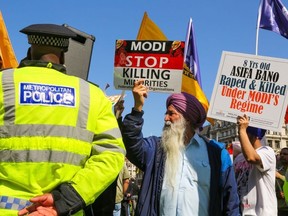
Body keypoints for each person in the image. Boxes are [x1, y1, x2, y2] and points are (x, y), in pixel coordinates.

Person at [0, 23, 125, 216]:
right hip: (63, 211)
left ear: (29, 51)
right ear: (64, 54)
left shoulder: (3, 83)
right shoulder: (92, 95)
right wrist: (66, 199)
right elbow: (111, 155)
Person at [118, 80, 239, 216]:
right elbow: (132, 144)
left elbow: (231, 203)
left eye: (171, 113)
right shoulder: (157, 149)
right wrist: (137, 108)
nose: (165, 118)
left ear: (187, 118)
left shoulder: (216, 154)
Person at [235, 114, 277, 216]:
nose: (239, 135)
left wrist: (242, 130)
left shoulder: (267, 152)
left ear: (255, 135)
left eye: (246, 132)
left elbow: (251, 158)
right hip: (242, 211)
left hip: (262, 213)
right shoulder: (239, 158)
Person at [275, 147, 288, 216]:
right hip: (280, 208)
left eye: (285, 154)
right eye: (281, 154)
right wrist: (277, 194)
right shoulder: (277, 170)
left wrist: (280, 176)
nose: (282, 155)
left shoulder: (278, 174)